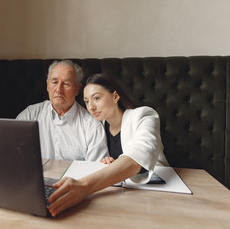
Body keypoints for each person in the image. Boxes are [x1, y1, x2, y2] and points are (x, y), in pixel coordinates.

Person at [48, 73, 169, 217]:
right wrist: (107, 162)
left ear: (115, 96)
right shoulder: (98, 127)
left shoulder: (144, 116)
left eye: (97, 98)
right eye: (86, 101)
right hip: (121, 195)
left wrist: (84, 186)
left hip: (159, 193)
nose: (91, 107)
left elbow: (137, 158)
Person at [16, 60, 108, 161]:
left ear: (77, 89)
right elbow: (11, 150)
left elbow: (95, 170)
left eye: (66, 84)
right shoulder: (30, 115)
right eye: (54, 82)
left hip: (77, 177)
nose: (58, 89)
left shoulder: (92, 126)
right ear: (47, 85)